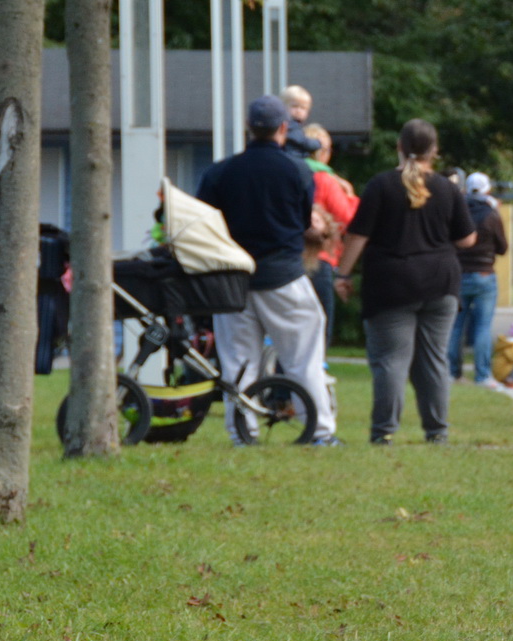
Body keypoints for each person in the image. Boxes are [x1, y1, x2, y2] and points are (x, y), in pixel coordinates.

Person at [195, 95, 337, 445]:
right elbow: (303, 222)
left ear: (249, 127)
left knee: (238, 363)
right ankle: (318, 432)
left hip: (234, 280)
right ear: (284, 128)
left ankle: (243, 433)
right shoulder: (298, 171)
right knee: (303, 358)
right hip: (284, 277)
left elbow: (205, 224)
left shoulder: (220, 172)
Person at [336, 119, 476, 444]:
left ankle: (384, 433)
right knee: (434, 361)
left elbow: (358, 236)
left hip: (391, 284)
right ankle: (437, 433)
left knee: (391, 361)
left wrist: (342, 274)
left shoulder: (381, 185)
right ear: (434, 151)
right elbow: (467, 239)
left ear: (399, 147)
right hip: (440, 282)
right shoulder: (447, 188)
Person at [447, 172, 508, 388]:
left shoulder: (458, 212)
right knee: (483, 327)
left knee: (456, 327)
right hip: (484, 275)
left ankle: (452, 373)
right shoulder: (492, 215)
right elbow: (503, 248)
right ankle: (482, 375)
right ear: (487, 190)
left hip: (459, 275)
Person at [301, 123, 358, 348]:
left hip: (288, 258)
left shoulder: (290, 173)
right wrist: (350, 195)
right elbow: (348, 219)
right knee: (320, 328)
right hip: (319, 258)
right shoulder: (325, 180)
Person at [279, 84, 323, 162]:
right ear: (283, 107)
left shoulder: (293, 125)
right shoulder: (291, 126)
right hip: (291, 159)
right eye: (294, 106)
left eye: (303, 108)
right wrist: (318, 143)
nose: (298, 111)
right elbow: (302, 141)